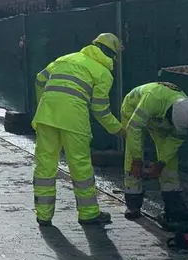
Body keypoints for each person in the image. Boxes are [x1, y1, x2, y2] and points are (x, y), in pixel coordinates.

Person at [32, 33, 123, 227]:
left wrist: (44, 103)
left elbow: (40, 79)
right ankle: (88, 213)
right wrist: (117, 129)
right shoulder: (103, 73)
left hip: (46, 116)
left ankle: (43, 215)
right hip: (74, 120)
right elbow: (100, 109)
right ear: (113, 55)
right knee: (80, 165)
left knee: (45, 164)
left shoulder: (65, 59)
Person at [120, 81, 188, 221]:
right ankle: (133, 202)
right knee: (133, 153)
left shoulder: (186, 116)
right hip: (133, 108)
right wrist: (137, 161)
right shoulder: (153, 98)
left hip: (159, 116)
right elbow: (134, 129)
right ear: (171, 115)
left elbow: (174, 142)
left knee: (170, 159)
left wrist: (161, 163)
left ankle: (173, 202)